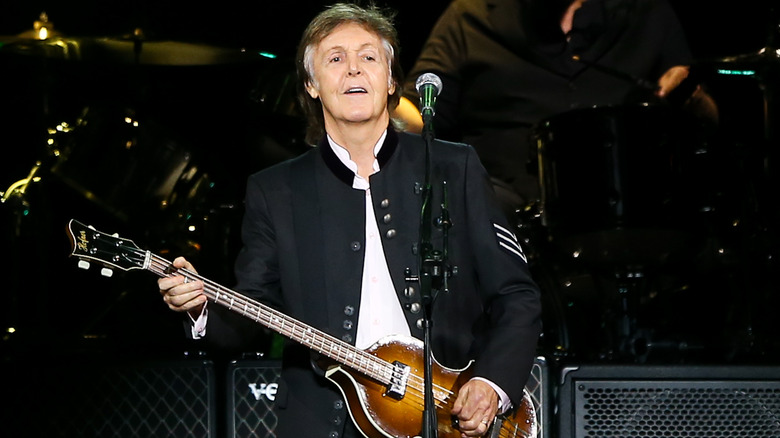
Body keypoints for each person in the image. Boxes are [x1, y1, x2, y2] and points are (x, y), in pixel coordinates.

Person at [157, 3, 543, 438]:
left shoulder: (454, 167)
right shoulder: (275, 190)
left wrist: (490, 384)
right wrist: (201, 307)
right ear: (312, 84)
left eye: (368, 57)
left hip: (445, 418)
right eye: (335, 59)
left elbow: (516, 295)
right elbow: (250, 316)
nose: (354, 70)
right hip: (322, 424)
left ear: (392, 80)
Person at [394, 0, 719, 220]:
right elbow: (421, 114)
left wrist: (689, 96)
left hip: (633, 209)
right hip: (505, 211)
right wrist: (376, 102)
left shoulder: (648, 13)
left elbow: (707, 118)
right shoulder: (470, 15)